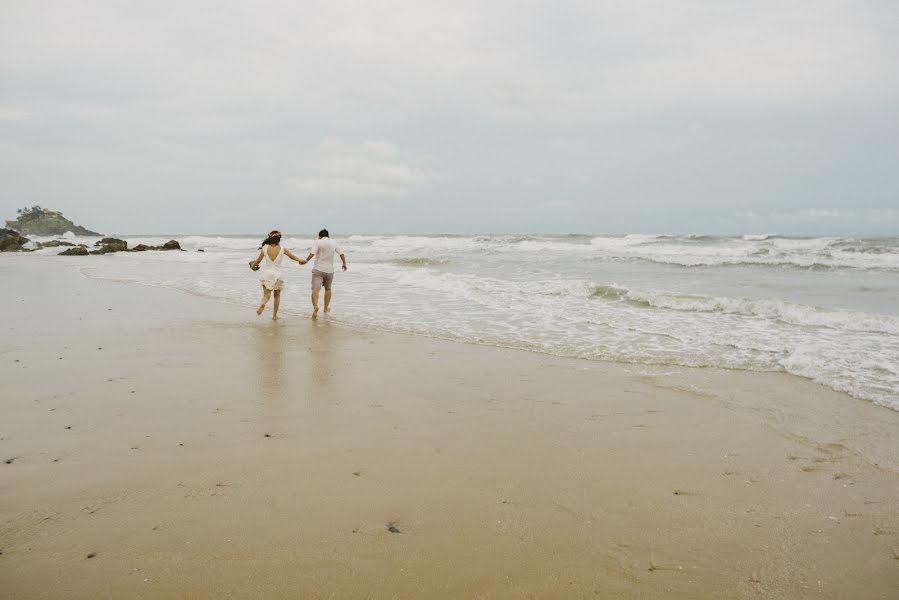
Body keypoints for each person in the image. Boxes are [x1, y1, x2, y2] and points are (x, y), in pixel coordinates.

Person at [249, 230, 304, 320]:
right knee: (277, 295)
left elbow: (258, 261)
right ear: (279, 239)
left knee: (266, 295)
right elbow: (292, 256)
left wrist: (253, 266)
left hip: (267, 274)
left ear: (270, 238)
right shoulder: (282, 249)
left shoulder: (265, 248)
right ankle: (274, 315)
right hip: (278, 275)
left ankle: (263, 304)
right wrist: (301, 260)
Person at [303, 229, 347, 318]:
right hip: (330, 270)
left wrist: (306, 260)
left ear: (320, 236)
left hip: (318, 269)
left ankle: (315, 307)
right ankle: (326, 308)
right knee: (328, 289)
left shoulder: (318, 242)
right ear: (328, 236)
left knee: (315, 289)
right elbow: (341, 253)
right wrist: (344, 263)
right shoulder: (334, 242)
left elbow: (312, 253)